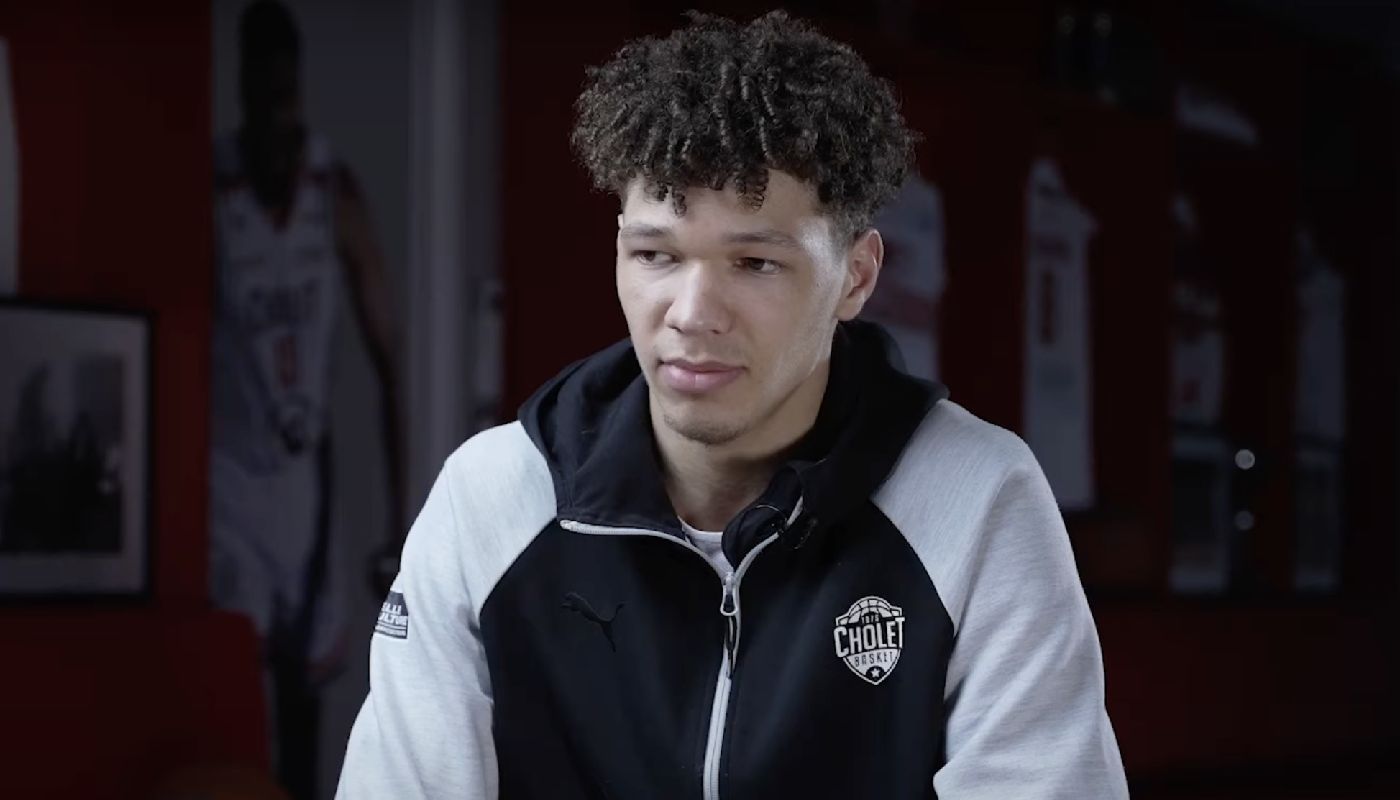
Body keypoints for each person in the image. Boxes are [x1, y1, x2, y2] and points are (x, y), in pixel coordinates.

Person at [337, 10, 1127, 799]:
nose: (691, 314)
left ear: (856, 277)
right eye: (656, 254)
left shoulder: (975, 499)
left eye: (754, 263)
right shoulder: (491, 500)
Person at [209, 2, 405, 798]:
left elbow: (390, 359)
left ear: (297, 89)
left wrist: (399, 521)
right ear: (242, 93)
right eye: (259, 95)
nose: (273, 113)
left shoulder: (333, 191)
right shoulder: (213, 186)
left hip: (306, 485)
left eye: (283, 94)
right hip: (227, 483)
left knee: (304, 707)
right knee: (234, 696)